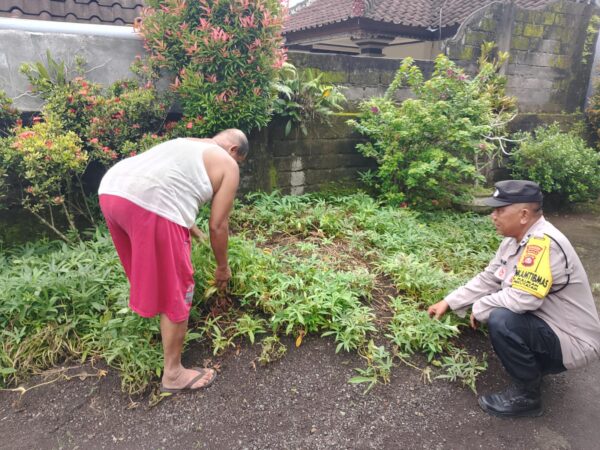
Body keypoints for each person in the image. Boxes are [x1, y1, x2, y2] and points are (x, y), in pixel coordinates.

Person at [427, 180, 600, 417]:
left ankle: (527, 397)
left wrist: (479, 307)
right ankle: (534, 370)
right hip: (553, 327)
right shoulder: (514, 240)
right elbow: (490, 278)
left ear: (524, 214)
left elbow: (523, 300)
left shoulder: (543, 244)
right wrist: (449, 301)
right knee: (500, 311)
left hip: (574, 340)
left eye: (500, 210)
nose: (493, 216)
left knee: (501, 319)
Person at [98, 129, 248, 393]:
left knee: (153, 271)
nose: (236, 166)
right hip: (149, 202)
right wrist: (222, 267)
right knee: (177, 284)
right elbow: (219, 224)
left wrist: (192, 230)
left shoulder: (187, 143)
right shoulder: (228, 164)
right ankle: (173, 374)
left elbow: (168, 183)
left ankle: (157, 325)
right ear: (234, 151)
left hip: (112, 191)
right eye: (239, 161)